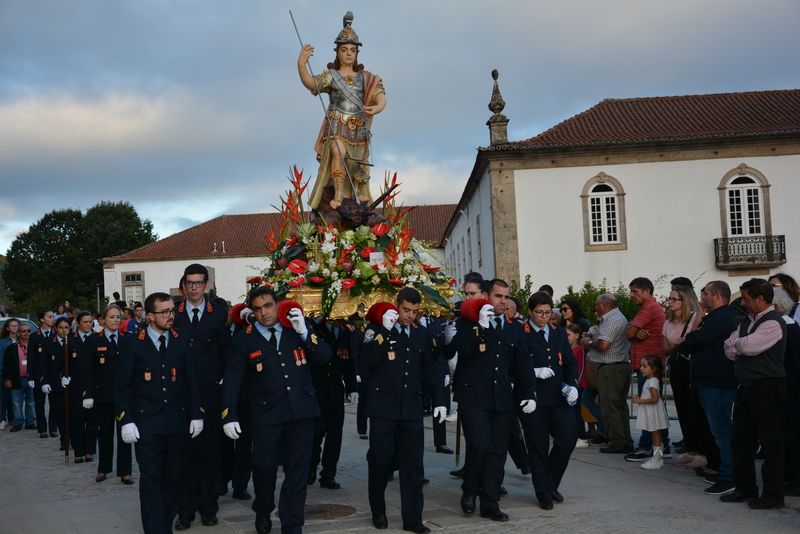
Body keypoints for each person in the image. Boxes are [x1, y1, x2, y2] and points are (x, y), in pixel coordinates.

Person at [221, 286, 331, 534]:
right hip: (265, 416)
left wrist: (305, 331)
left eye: (268, 306)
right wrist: (229, 415)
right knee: (263, 468)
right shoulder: (243, 339)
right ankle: (263, 508)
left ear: (277, 304)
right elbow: (232, 380)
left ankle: (292, 524)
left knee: (298, 471)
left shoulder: (296, 330)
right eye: (258, 308)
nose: (263, 313)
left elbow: (324, 357)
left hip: (301, 413)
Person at [447, 279, 536, 522]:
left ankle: (490, 503)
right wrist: (481, 327)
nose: (503, 301)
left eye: (506, 297)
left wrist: (529, 393)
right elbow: (461, 350)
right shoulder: (468, 321)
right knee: (479, 446)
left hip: (500, 398)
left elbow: (523, 363)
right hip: (473, 395)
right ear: (486, 296)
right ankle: (469, 489)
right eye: (498, 296)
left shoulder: (514, 327)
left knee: (497, 453)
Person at [115, 292, 204, 534]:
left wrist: (197, 414)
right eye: (164, 312)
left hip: (177, 422)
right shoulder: (133, 342)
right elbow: (122, 386)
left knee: (173, 479)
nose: (170, 316)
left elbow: (192, 380)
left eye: (172, 311)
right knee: (151, 478)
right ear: (150, 315)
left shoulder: (182, 339)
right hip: (146, 423)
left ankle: (165, 523)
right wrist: (126, 420)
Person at [363, 288, 446, 533]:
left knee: (413, 465)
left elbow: (432, 369)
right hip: (382, 407)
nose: (410, 315)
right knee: (379, 461)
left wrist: (439, 400)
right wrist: (386, 331)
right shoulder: (376, 329)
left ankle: (412, 517)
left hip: (411, 407)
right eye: (406, 310)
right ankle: (378, 510)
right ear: (396, 305)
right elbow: (368, 359)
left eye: (414, 311)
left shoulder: (422, 333)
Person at [298, 11, 386, 213]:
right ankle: (338, 194)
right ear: (337, 52)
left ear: (357, 53)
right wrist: (301, 64)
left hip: (358, 126)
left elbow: (379, 93)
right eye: (344, 49)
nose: (348, 53)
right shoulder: (331, 76)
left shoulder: (365, 77)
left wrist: (379, 106)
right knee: (338, 152)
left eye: (352, 50)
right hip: (337, 123)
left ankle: (357, 192)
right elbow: (312, 83)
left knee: (358, 160)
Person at [173, 264, 232, 529]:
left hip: (210, 394)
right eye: (190, 283)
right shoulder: (172, 313)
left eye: (199, 283)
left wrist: (222, 379)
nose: (194, 287)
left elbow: (226, 351)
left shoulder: (218, 313)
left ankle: (209, 507)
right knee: (184, 456)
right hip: (181, 395)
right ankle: (185, 510)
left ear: (206, 285)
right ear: (183, 285)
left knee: (210, 454)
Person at [721, 279, 787, 509]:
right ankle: (745, 488)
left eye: (747, 298)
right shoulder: (747, 322)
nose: (743, 303)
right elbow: (728, 347)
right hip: (747, 387)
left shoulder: (773, 322)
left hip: (767, 388)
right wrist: (739, 345)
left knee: (771, 443)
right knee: (741, 441)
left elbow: (747, 347)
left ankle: (773, 495)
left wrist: (738, 345)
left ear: (761, 299)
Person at [516, 292, 578, 509]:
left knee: (567, 439)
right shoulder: (519, 333)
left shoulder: (558, 333)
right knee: (537, 446)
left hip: (558, 396)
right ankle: (543, 491)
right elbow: (513, 366)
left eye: (548, 312)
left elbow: (569, 362)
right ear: (530, 312)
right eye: (539, 313)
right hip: (533, 398)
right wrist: (533, 371)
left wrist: (573, 385)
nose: (544, 317)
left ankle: (549, 483)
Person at [676, 281, 737, 497]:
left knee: (721, 431)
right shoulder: (715, 318)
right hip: (707, 381)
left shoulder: (721, 318)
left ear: (718, 296)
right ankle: (723, 471)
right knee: (715, 430)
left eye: (705, 294)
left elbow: (692, 340)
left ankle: (729, 476)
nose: (701, 299)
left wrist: (694, 328)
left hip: (717, 382)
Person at [85, 304, 133, 484]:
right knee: (104, 433)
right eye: (112, 317)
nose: (116, 320)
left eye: (118, 317)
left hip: (124, 394)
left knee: (125, 433)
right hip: (102, 394)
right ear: (102, 320)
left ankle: (125, 471)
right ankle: (103, 469)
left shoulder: (127, 339)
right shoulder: (93, 341)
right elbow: (87, 370)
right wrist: (87, 394)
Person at [308, 318, 358, 489]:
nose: (342, 320)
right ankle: (311, 464)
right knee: (315, 433)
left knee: (335, 435)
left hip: (335, 391)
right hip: (316, 390)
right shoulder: (312, 328)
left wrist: (352, 388)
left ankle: (328, 474)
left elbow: (348, 361)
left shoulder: (344, 332)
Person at [581, 294, 633, 454]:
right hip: (618, 367)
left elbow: (604, 345)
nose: (595, 308)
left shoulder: (612, 320)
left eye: (597, 305)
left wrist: (588, 343)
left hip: (611, 368)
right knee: (619, 406)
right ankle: (624, 440)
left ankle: (618, 441)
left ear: (604, 305)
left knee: (610, 407)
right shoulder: (616, 318)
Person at [625, 277, 668, 462]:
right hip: (649, 367)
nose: (632, 295)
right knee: (655, 407)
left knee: (648, 407)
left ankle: (645, 446)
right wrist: (634, 329)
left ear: (647, 291)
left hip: (648, 369)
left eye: (635, 291)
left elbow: (628, 334)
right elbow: (631, 330)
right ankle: (662, 446)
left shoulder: (649, 307)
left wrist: (633, 331)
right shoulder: (648, 309)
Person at [662, 286, 705, 467]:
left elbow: (697, 340)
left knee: (696, 411)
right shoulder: (667, 323)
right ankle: (691, 450)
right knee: (682, 410)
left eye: (674, 299)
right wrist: (675, 346)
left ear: (684, 301)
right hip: (676, 368)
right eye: (669, 299)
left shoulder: (695, 318)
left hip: (691, 369)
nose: (670, 302)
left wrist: (685, 341)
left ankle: (703, 452)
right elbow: (664, 349)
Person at [772, 288, 800, 495]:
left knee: (793, 435)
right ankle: (789, 477)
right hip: (784, 387)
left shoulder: (790, 330)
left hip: (792, 389)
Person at [63, 311, 97, 463]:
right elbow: (63, 363)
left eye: (90, 321)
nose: (89, 324)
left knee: (92, 422)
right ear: (78, 323)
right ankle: (78, 451)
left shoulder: (97, 339)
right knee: (77, 420)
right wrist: (63, 376)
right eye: (85, 322)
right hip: (76, 386)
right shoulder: (70, 340)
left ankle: (89, 451)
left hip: (94, 385)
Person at [633, 354, 670, 469]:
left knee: (655, 435)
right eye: (641, 366)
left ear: (654, 369)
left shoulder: (652, 382)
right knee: (655, 434)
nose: (641, 368)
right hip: (650, 411)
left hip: (652, 411)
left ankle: (656, 459)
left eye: (644, 366)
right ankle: (658, 458)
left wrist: (641, 401)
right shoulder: (651, 380)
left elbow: (655, 399)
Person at [40, 317, 72, 451]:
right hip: (55, 383)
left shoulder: (73, 342)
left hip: (71, 383)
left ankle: (74, 439)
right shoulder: (48, 343)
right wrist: (44, 381)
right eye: (61, 328)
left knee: (73, 414)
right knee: (60, 414)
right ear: (55, 329)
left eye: (66, 328)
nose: (64, 330)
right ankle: (64, 440)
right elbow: (43, 365)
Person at [2, 323, 36, 431]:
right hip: (16, 379)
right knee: (16, 402)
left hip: (31, 379)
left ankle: (30, 422)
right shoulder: (11, 348)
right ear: (18, 334)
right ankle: (18, 423)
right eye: (23, 331)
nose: (26, 333)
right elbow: (6, 364)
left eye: (28, 331)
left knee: (31, 402)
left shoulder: (35, 347)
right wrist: (7, 378)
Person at [30, 309, 56, 438]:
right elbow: (31, 357)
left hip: (53, 373)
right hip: (39, 373)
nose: (53, 319)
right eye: (50, 317)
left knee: (54, 403)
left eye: (53, 317)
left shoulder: (56, 334)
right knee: (39, 403)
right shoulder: (35, 336)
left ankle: (53, 428)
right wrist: (30, 376)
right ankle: (42, 429)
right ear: (42, 319)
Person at [566, 323, 591, 448]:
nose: (567, 337)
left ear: (576, 335)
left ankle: (582, 437)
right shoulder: (565, 350)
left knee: (576, 412)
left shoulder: (579, 350)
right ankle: (573, 435)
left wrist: (577, 385)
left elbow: (582, 369)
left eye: (569, 335)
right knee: (569, 412)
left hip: (578, 385)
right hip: (567, 386)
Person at [0, 318, 21, 428]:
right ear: (7, 328)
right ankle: (2, 419)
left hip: (19, 373)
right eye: (12, 326)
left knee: (15, 397)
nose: (14, 328)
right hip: (5, 372)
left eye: (16, 325)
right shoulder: (3, 342)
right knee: (4, 397)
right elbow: (1, 359)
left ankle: (13, 418)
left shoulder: (21, 340)